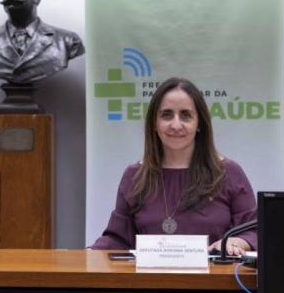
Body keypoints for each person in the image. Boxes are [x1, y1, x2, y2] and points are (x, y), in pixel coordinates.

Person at [89, 78, 257, 256]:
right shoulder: (134, 176)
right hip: (149, 282)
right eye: (166, 115)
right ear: (154, 123)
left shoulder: (228, 173)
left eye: (186, 115)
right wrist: (86, 254)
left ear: (199, 123)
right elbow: (119, 239)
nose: (176, 125)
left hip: (213, 281)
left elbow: (254, 230)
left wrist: (236, 241)